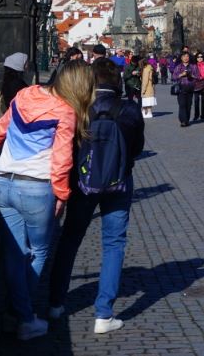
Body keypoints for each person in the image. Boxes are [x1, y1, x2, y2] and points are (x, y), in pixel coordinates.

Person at [0, 61, 94, 341]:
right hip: (37, 189)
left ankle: (17, 314)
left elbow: (0, 129)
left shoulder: (24, 95)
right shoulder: (65, 111)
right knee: (37, 252)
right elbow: (62, 160)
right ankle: (23, 318)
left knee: (15, 254)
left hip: (2, 184)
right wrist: (62, 194)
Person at [48, 58, 144, 335]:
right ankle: (104, 314)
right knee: (114, 244)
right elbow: (137, 149)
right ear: (118, 82)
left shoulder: (80, 108)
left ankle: (55, 303)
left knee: (70, 239)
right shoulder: (129, 109)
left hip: (83, 184)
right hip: (119, 183)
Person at [172, 50, 198, 127]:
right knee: (182, 104)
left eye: (187, 56)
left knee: (188, 105)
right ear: (181, 58)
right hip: (181, 87)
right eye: (184, 56)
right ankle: (183, 120)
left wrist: (191, 76)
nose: (186, 58)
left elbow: (198, 77)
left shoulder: (193, 66)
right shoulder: (178, 67)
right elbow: (173, 77)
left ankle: (187, 120)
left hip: (190, 87)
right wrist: (181, 75)